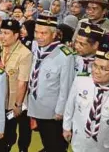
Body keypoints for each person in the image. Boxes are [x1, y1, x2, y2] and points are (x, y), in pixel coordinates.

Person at [27, 13, 76, 152]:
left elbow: (65, 87)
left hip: (53, 111)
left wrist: (60, 112)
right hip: (37, 105)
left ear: (54, 34)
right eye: (36, 32)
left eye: (44, 33)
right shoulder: (35, 46)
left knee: (55, 145)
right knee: (47, 142)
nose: (39, 36)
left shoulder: (65, 55)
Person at [63, 44, 109, 152]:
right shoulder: (81, 80)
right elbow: (70, 105)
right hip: (80, 142)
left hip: (106, 147)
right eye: (95, 65)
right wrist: (66, 127)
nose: (96, 71)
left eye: (103, 68)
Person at [0, 19, 33, 152]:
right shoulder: (1, 48)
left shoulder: (25, 53)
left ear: (16, 35)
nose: (2, 36)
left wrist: (18, 105)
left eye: (6, 33)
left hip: (18, 102)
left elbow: (22, 82)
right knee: (8, 132)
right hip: (3, 100)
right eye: (1, 32)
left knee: (23, 130)